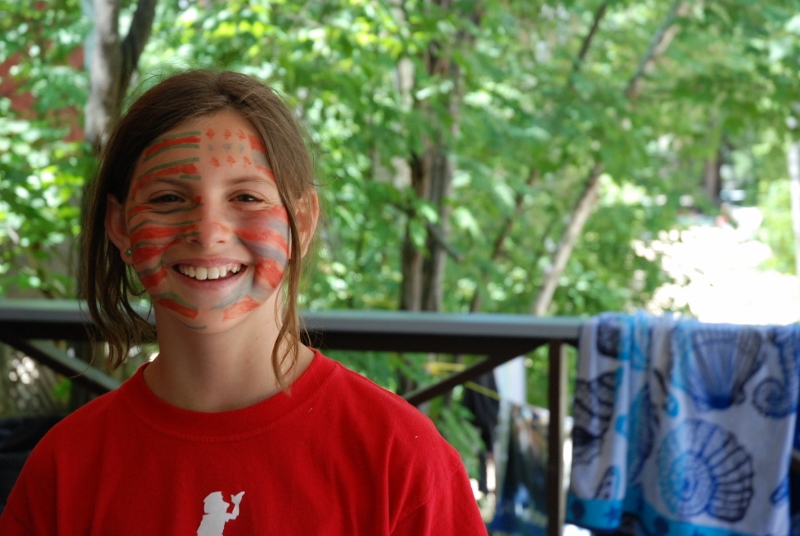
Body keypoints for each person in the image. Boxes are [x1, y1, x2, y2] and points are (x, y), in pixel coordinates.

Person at [0, 69, 487, 535]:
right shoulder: (65, 468)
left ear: (301, 221)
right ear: (120, 225)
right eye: (169, 198)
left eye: (247, 198)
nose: (208, 233)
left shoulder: (400, 460)